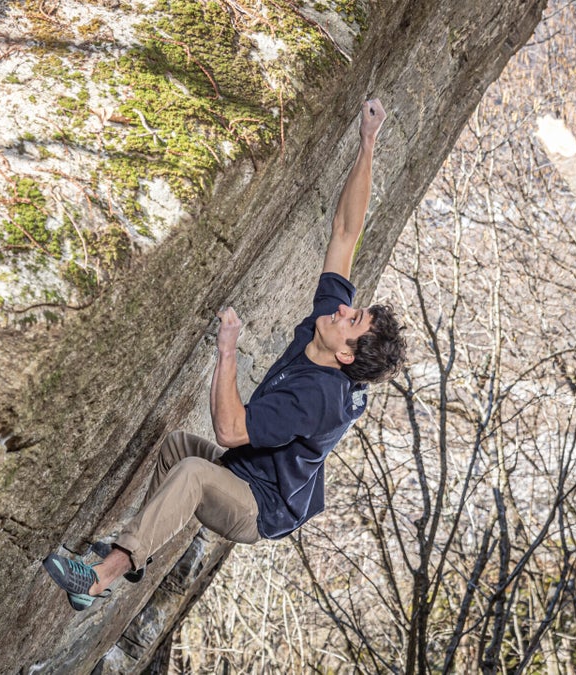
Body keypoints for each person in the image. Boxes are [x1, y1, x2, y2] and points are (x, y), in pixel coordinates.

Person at [43, 99, 407, 611]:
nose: (345, 309)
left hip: (259, 508)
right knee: (175, 449)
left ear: (346, 356)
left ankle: (99, 579)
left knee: (192, 473)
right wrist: (368, 142)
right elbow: (346, 233)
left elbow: (231, 431)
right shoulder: (328, 326)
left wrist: (228, 352)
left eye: (353, 320)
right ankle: (134, 553)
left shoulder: (317, 398)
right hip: (242, 472)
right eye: (353, 309)